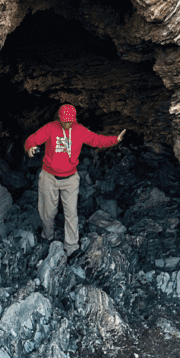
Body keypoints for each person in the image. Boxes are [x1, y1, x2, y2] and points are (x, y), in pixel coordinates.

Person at [25, 103, 125, 257]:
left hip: (70, 178)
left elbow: (96, 140)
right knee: (47, 211)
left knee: (71, 213)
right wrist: (30, 146)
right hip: (49, 177)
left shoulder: (79, 130)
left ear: (74, 119)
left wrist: (115, 140)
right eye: (64, 121)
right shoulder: (50, 128)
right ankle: (47, 236)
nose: (67, 124)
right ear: (59, 118)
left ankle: (71, 246)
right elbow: (33, 138)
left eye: (69, 121)